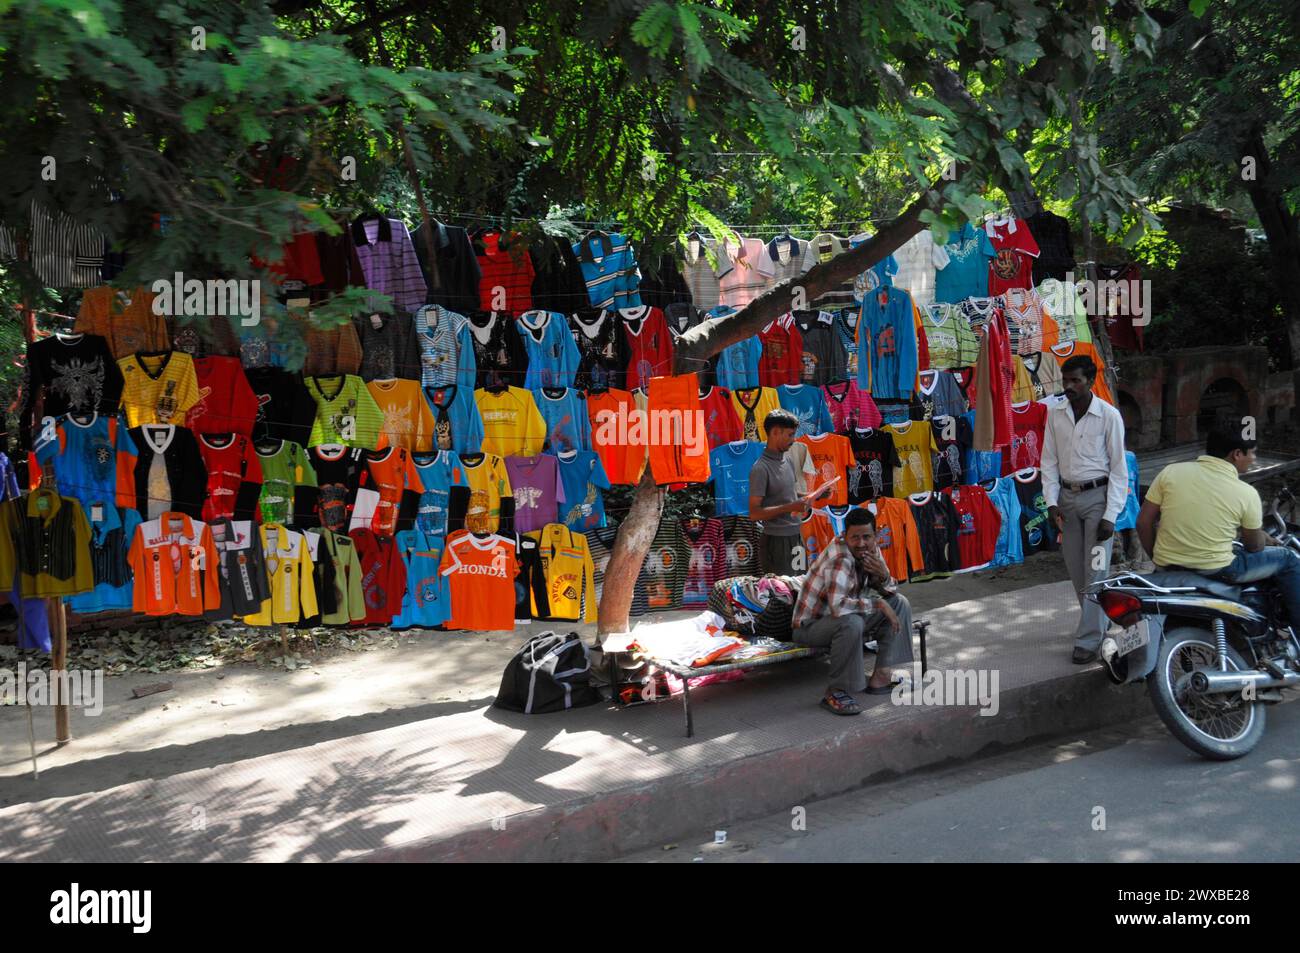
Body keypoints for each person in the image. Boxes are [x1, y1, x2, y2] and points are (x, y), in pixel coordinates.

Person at [1137, 428, 1300, 627]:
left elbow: (1143, 522)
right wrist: (1261, 536)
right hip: (1217, 569)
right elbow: (1254, 547)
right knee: (1289, 558)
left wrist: (1158, 558)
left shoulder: (1171, 472)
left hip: (1168, 565)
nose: (1254, 458)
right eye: (1252, 453)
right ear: (1237, 454)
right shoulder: (1246, 493)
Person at [1041, 355, 1128, 664]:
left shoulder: (1109, 416)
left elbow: (1119, 469)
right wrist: (1051, 502)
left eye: (1076, 381)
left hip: (1098, 500)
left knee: (1096, 570)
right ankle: (1099, 622)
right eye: (1066, 381)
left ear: (1091, 382)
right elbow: (1048, 461)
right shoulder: (1055, 414)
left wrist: (1110, 515)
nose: (1069, 387)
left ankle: (1088, 641)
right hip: (1067, 500)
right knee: (1077, 572)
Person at [791, 507, 915, 715]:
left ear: (875, 536)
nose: (861, 543)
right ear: (844, 536)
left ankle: (881, 676)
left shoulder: (871, 550)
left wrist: (883, 576)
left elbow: (891, 591)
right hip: (810, 627)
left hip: (843, 617)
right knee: (852, 622)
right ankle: (835, 691)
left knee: (899, 603)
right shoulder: (840, 558)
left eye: (866, 537)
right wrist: (878, 604)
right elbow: (839, 608)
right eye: (854, 537)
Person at [748, 409, 831, 574]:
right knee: (782, 593)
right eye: (790, 435)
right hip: (776, 541)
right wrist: (789, 506)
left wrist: (816, 494)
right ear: (775, 433)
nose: (793, 440)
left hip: (796, 536)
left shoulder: (788, 461)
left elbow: (789, 495)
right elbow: (755, 513)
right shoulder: (760, 469)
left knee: (800, 585)